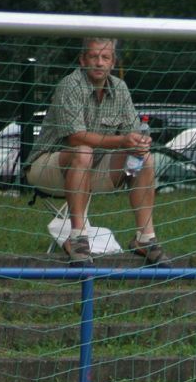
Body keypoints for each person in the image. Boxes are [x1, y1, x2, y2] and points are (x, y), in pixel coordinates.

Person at [25, 37, 171, 268]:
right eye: (94, 57)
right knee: (82, 150)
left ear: (113, 62)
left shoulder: (120, 88)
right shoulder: (69, 85)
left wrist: (138, 141)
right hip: (47, 167)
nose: (99, 63)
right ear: (83, 60)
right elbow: (75, 137)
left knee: (143, 158)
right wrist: (122, 140)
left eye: (105, 58)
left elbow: (130, 132)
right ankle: (78, 238)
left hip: (93, 167)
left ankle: (145, 239)